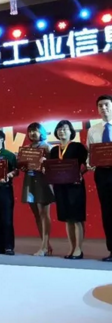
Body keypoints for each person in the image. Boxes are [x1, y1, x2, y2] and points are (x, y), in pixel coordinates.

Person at [50, 120, 88, 259]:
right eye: (59, 129)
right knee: (67, 219)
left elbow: (87, 164)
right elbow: (51, 168)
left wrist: (80, 173)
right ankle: (71, 247)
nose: (62, 131)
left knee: (76, 218)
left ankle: (79, 249)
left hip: (75, 187)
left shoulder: (78, 147)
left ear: (71, 131)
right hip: (60, 187)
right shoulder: (54, 150)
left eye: (65, 129)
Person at [21, 123, 55, 256]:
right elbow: (22, 167)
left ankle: (44, 246)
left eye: (35, 131)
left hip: (43, 181)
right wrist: (20, 163)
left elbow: (53, 166)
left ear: (41, 132)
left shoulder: (47, 147)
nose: (32, 133)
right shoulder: (26, 148)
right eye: (30, 131)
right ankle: (46, 245)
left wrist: (45, 163)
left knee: (44, 214)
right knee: (37, 215)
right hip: (29, 181)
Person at [87, 95, 112, 262]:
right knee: (108, 212)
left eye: (107, 105)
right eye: (100, 106)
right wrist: (89, 163)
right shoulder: (93, 130)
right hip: (102, 174)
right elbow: (90, 153)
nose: (103, 108)